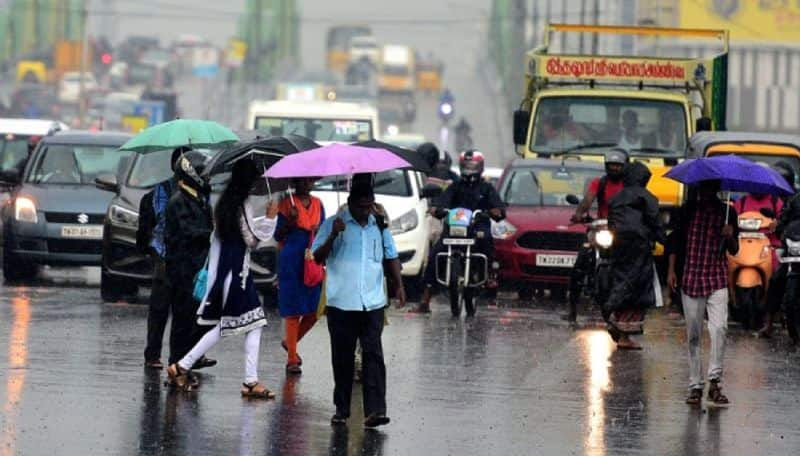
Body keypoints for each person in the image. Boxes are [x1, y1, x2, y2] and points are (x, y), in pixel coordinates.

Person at [167, 159, 280, 397]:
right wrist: (271, 218)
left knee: (241, 325)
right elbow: (251, 240)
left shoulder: (225, 203)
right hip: (237, 276)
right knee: (242, 324)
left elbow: (242, 231)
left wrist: (262, 221)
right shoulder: (241, 204)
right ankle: (187, 366)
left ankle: (185, 366)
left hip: (231, 274)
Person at [312, 183, 405, 428]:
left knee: (373, 354)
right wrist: (333, 235)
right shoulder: (334, 222)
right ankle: (342, 410)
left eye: (369, 205)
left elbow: (391, 254)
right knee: (342, 359)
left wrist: (399, 285)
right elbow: (317, 258)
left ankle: (375, 410)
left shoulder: (380, 225)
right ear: (351, 202)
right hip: (342, 302)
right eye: (361, 206)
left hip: (372, 302)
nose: (366, 210)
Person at [667, 180, 738, 406]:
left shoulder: (729, 212)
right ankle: (695, 385)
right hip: (691, 277)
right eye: (702, 189)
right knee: (694, 335)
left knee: (719, 328)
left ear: (715, 190)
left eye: (709, 189)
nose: (705, 193)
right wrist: (671, 271)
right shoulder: (687, 211)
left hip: (716, 277)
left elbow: (735, 250)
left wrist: (729, 236)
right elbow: (675, 242)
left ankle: (715, 382)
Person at [412, 150, 505, 313]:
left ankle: (490, 279)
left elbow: (499, 207)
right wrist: (436, 209)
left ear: (480, 167)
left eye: (472, 165)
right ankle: (425, 300)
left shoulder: (487, 188)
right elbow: (442, 202)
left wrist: (495, 211)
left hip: (477, 229)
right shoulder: (454, 186)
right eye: (466, 165)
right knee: (435, 254)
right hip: (454, 230)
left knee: (487, 241)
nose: (469, 169)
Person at [164, 150, 215, 383]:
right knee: (182, 321)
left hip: (196, 268)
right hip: (182, 269)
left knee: (196, 319)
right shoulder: (179, 201)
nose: (206, 177)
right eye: (202, 172)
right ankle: (176, 367)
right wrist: (211, 233)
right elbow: (188, 232)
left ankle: (187, 363)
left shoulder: (198, 198)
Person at [604, 162, 665, 349]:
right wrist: (666, 241)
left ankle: (616, 321)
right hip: (640, 249)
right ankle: (622, 332)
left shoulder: (615, 199)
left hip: (618, 248)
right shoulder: (648, 198)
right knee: (638, 290)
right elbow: (656, 224)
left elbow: (611, 223)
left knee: (621, 282)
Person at [566, 149, 629, 325]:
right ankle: (572, 309)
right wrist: (579, 214)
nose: (615, 168)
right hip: (600, 228)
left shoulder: (628, 186)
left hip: (621, 231)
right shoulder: (599, 183)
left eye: (618, 165)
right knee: (580, 263)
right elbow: (587, 200)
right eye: (611, 165)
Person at [139, 147, 184, 369]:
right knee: (160, 308)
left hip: (187, 258)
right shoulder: (164, 189)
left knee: (184, 310)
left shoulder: (199, 190)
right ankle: (152, 355)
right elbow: (162, 218)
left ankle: (179, 358)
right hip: (165, 256)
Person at [275, 177, 325, 375]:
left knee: (314, 310)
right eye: (303, 180)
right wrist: (290, 222)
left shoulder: (318, 204)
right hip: (291, 260)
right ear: (295, 182)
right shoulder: (286, 204)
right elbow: (278, 235)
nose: (307, 183)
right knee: (293, 310)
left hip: (312, 258)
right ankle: (291, 359)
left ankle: (290, 342)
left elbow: (324, 230)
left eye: (310, 180)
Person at [758, 162, 796, 337]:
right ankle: (770, 323)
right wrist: (779, 226)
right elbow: (783, 221)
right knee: (776, 280)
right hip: (792, 249)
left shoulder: (795, 197)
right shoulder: (783, 200)